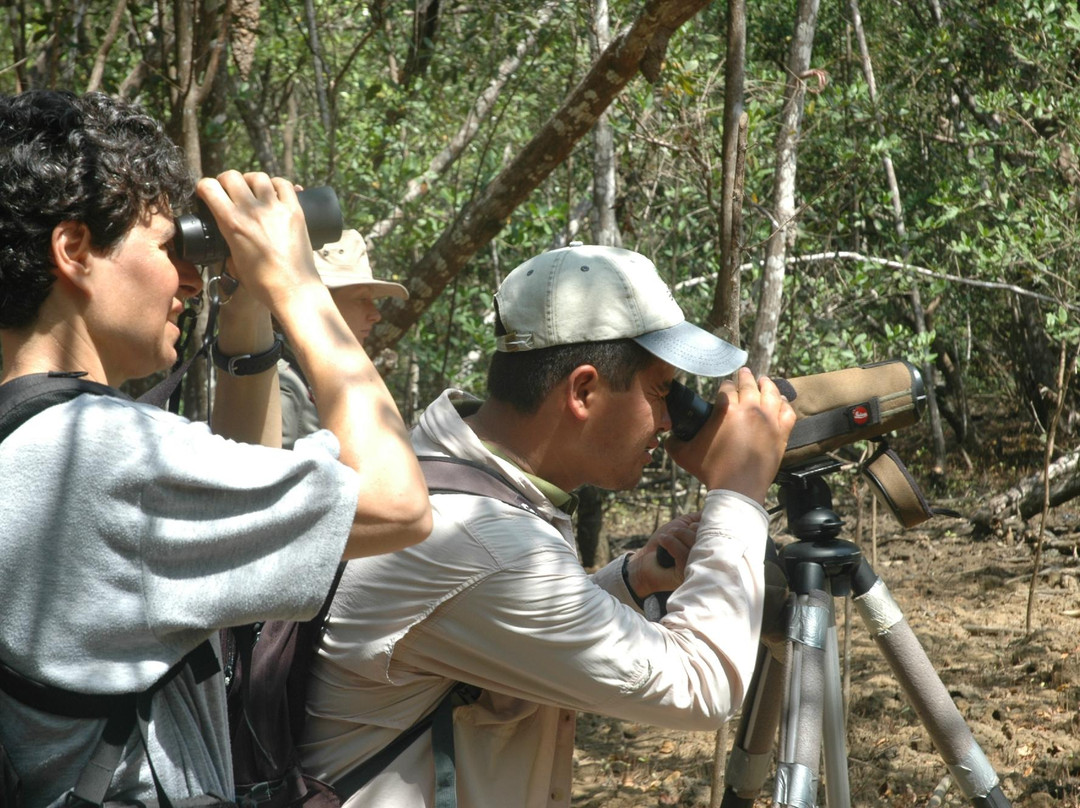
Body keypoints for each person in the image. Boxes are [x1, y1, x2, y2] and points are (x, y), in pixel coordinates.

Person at [0, 90, 431, 807]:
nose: (190, 278)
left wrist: (248, 306)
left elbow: (230, 502)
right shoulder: (106, 455)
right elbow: (397, 505)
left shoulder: (36, 439)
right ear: (73, 251)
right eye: (167, 245)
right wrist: (297, 284)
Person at [300, 243, 796, 806]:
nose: (667, 419)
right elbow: (701, 687)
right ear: (583, 391)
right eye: (661, 391)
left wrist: (630, 582)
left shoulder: (438, 472)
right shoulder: (487, 542)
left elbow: (490, 628)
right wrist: (739, 487)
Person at [280, 228, 408, 448]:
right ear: (319, 302)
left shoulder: (318, 373)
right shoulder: (284, 387)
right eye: (361, 299)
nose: (375, 314)